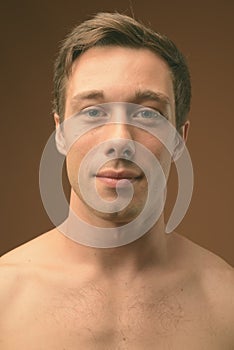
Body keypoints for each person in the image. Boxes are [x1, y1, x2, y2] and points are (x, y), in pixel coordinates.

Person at [0, 12, 233, 350]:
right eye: (93, 112)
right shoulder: (5, 295)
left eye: (147, 114)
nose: (120, 138)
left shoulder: (227, 304)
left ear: (179, 138)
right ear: (60, 133)